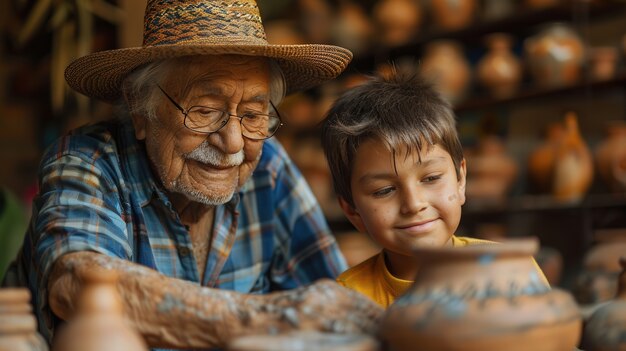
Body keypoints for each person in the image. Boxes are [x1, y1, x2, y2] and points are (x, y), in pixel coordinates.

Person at [2, 0, 382, 349]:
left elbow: (330, 300)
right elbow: (75, 283)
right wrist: (266, 317)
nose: (233, 142)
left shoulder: (267, 165)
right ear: (140, 110)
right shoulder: (89, 161)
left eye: (252, 115)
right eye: (203, 111)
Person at [320, 71, 549, 308]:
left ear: (460, 180)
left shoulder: (510, 271)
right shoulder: (348, 300)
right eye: (384, 190)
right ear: (352, 210)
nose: (413, 204)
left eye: (431, 178)